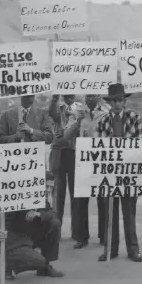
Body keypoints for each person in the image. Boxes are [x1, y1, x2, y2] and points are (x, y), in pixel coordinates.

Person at [96, 83, 142, 263]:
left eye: (120, 100)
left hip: (128, 173)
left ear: (124, 101)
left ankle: (133, 250)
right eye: (114, 101)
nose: (117, 104)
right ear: (109, 103)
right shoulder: (102, 121)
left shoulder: (135, 118)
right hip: (110, 173)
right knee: (110, 212)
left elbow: (139, 144)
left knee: (129, 212)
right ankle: (111, 249)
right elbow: (99, 150)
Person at [0, 171, 63, 280]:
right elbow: (0, 221)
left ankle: (44, 268)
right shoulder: (19, 197)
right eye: (45, 186)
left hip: (29, 237)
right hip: (14, 242)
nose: (48, 190)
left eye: (51, 187)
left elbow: (53, 214)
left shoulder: (42, 199)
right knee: (37, 261)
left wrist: (39, 214)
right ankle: (8, 266)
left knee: (55, 224)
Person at [64, 94, 111, 246]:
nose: (90, 98)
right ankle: (81, 237)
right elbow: (66, 135)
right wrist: (78, 122)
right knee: (81, 200)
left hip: (100, 159)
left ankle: (104, 236)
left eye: (93, 95)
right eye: (88, 95)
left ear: (98, 95)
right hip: (82, 160)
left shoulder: (106, 111)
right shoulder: (77, 111)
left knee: (103, 199)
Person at [48, 94, 81, 246]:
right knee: (58, 194)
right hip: (59, 152)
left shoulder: (80, 108)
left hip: (75, 152)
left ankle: (77, 232)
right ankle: (56, 231)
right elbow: (52, 113)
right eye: (66, 94)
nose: (69, 96)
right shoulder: (58, 107)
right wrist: (54, 99)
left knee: (76, 194)